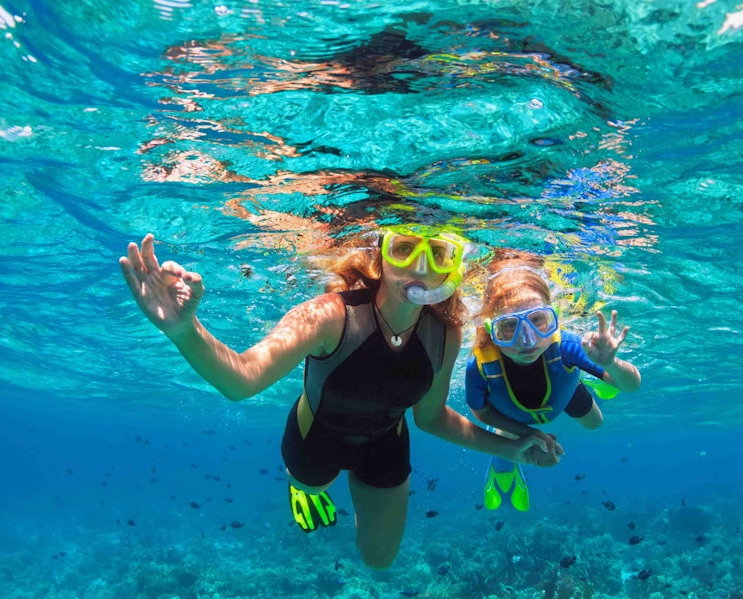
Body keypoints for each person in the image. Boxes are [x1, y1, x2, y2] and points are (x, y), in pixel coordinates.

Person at [119, 229, 560, 569]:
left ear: (451, 268)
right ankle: (303, 487)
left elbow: (430, 419)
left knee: (379, 560)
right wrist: (183, 330)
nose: (420, 268)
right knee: (311, 487)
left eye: (438, 254)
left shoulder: (446, 332)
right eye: (405, 249)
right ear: (381, 255)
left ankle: (345, 502)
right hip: (316, 438)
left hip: (386, 443)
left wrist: (512, 446)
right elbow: (242, 380)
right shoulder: (330, 314)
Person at [465, 255, 641, 511]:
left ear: (554, 317)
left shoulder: (567, 346)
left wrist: (610, 363)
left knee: (595, 423)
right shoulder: (481, 365)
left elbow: (632, 385)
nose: (527, 341)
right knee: (511, 437)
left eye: (538, 320)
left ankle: (594, 376)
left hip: (564, 391)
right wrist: (528, 434)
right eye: (509, 327)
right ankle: (503, 461)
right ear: (492, 329)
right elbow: (480, 412)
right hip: (511, 415)